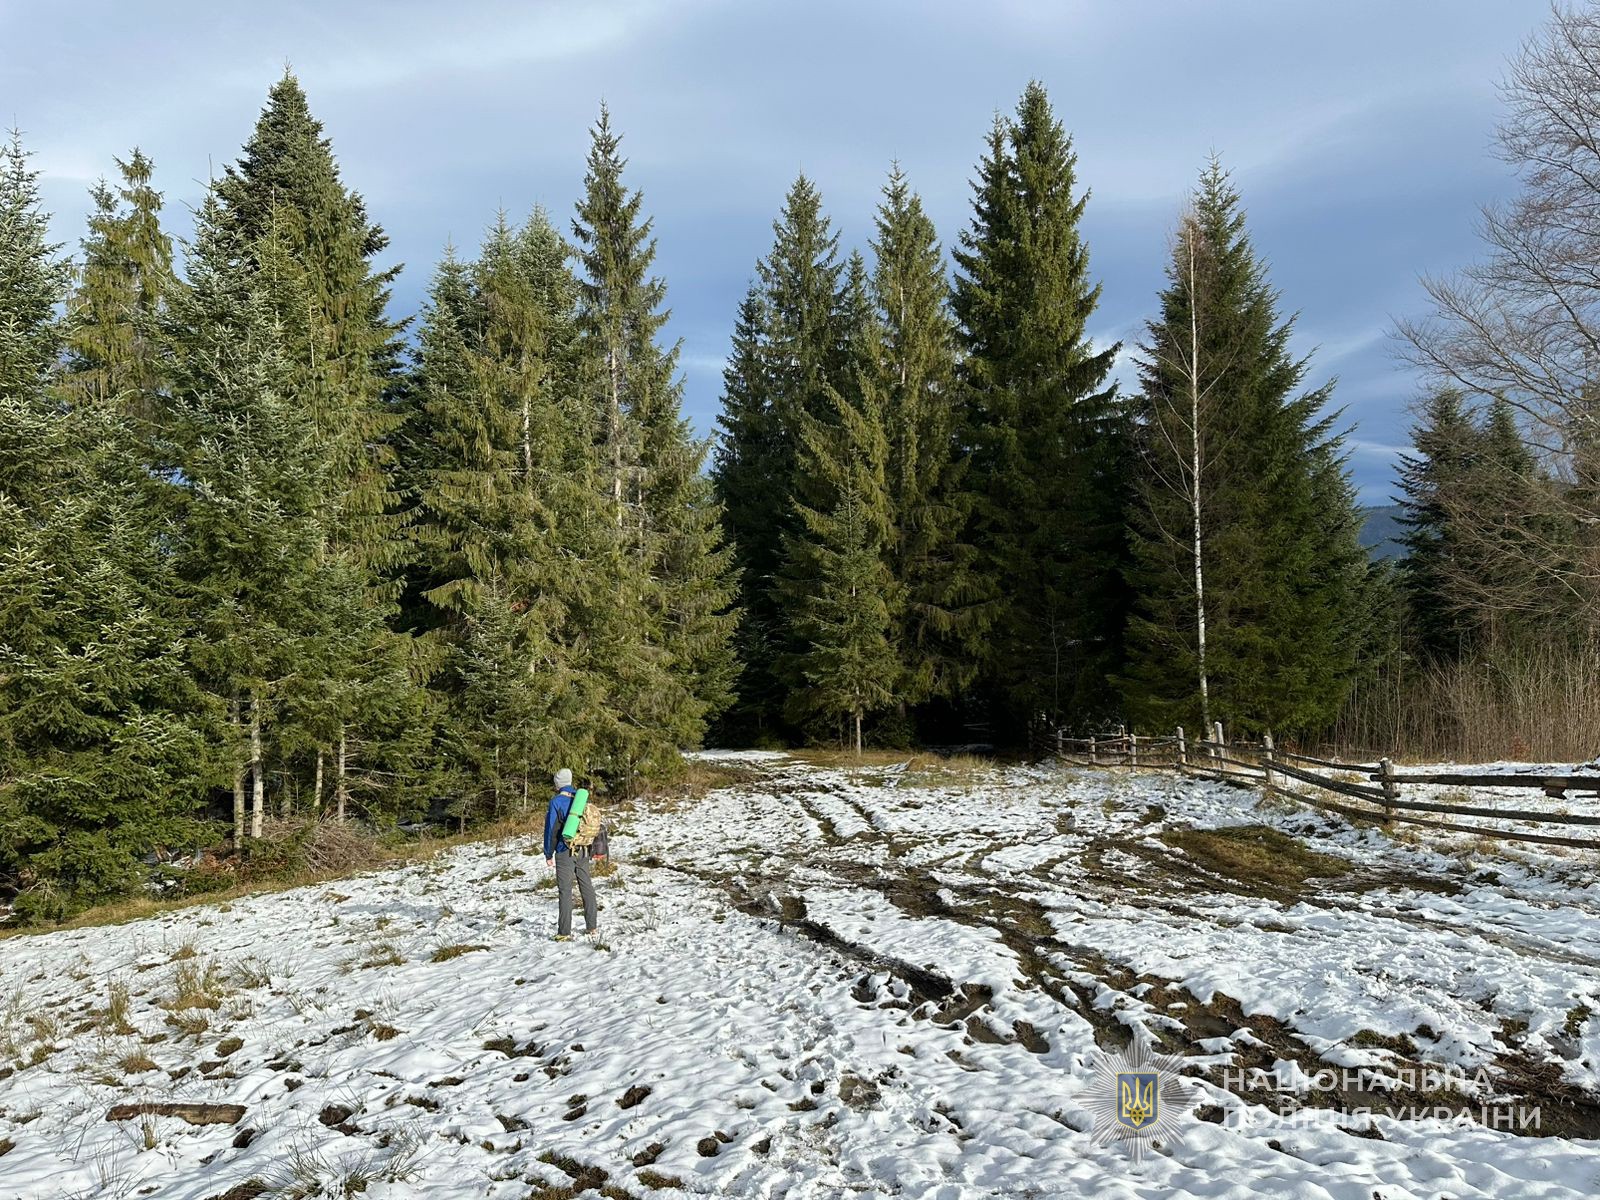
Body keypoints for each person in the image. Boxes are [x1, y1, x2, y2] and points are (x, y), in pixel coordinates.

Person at [543, 768, 598, 941]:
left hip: (564, 850)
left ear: (557, 784)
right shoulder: (580, 799)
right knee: (586, 886)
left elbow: (551, 830)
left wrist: (548, 853)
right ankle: (592, 927)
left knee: (565, 891)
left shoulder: (556, 802)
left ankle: (564, 932)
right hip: (583, 848)